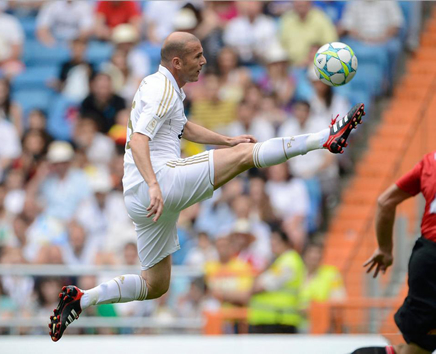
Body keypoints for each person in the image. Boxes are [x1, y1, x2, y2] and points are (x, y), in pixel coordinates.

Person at [48, 31, 365, 341]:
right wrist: (155, 184)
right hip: (160, 181)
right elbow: (141, 139)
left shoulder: (158, 85)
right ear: (176, 61)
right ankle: (326, 137)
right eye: (197, 56)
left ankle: (81, 299)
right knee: (244, 157)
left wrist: (225, 139)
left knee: (155, 284)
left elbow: (181, 127)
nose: (204, 61)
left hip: (138, 197)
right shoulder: (162, 90)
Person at [353, 151, 436, 354]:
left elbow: (385, 202)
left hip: (429, 261)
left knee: (418, 348)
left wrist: (385, 249)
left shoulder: (430, 161)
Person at [246, 230, 306, 334]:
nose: (272, 244)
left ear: (286, 242)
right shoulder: (279, 261)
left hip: (279, 320)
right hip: (270, 319)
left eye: (275, 241)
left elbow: (261, 286)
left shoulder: (289, 261)